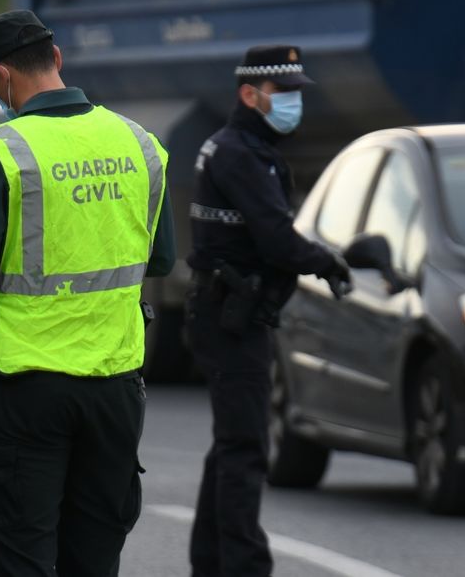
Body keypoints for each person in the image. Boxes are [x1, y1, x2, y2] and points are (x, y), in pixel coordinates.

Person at [0, 9, 177, 577]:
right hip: (115, 389)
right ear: (56, 57)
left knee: (26, 560)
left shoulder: (3, 152)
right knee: (94, 561)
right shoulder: (140, 144)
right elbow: (160, 258)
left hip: (29, 389)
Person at [184, 43, 352, 577]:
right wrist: (327, 263)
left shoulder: (234, 147)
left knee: (230, 445)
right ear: (249, 95)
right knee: (245, 448)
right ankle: (242, 567)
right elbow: (277, 239)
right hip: (231, 317)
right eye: (282, 92)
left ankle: (211, 563)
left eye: (297, 92)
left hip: (226, 312)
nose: (292, 102)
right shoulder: (242, 155)